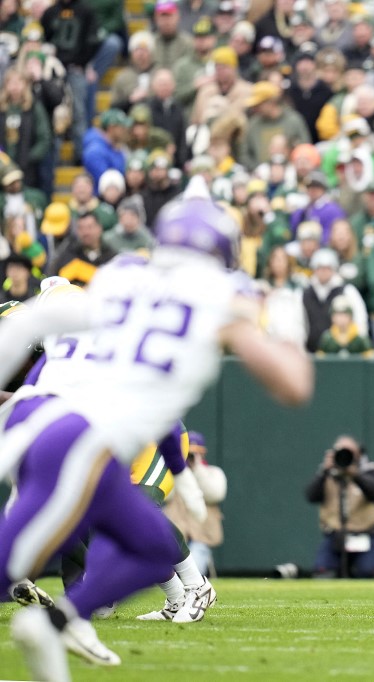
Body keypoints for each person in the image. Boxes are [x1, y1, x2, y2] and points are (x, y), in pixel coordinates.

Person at [0, 177, 313, 679]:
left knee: (150, 548)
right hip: (79, 441)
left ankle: (59, 620)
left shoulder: (122, 273)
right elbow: (293, 387)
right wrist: (291, 332)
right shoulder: (223, 295)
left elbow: (27, 325)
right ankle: (61, 619)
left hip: (60, 431)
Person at [305, 434, 374, 578]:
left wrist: (355, 475)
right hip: (335, 535)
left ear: (358, 453)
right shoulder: (328, 474)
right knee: (323, 572)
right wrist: (324, 471)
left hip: (366, 534)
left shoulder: (369, 471)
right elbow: (311, 496)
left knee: (368, 571)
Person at [163, 430, 228, 578]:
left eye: (195, 453)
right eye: (188, 453)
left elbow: (215, 493)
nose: (190, 457)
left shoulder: (212, 472)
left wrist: (197, 468)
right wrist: (179, 469)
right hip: (175, 538)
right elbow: (166, 495)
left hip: (201, 536)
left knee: (194, 571)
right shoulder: (172, 473)